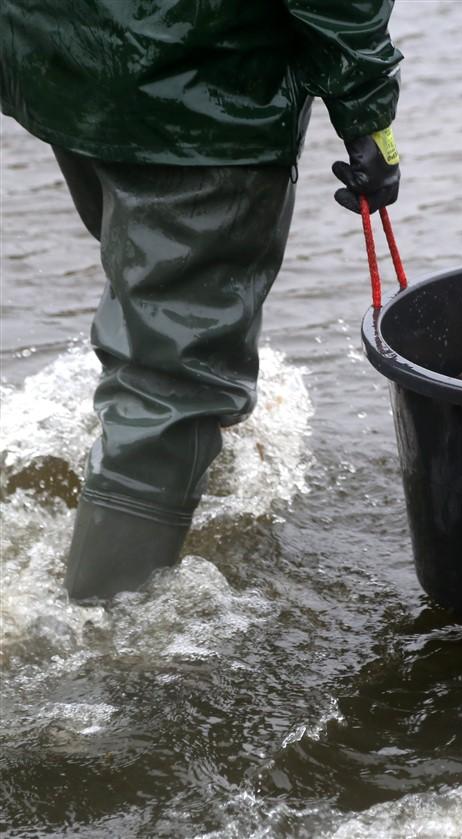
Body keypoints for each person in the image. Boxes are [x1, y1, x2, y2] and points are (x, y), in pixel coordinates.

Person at [0, 1, 403, 600]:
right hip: (197, 92)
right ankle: (102, 628)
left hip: (59, 55)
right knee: (174, 383)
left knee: (154, 302)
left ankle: (147, 470)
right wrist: (370, 117)